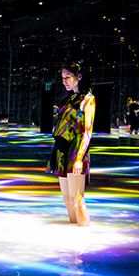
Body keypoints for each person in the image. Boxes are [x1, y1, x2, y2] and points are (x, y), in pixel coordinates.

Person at [46, 61, 96, 226]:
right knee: (67, 198)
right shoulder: (67, 99)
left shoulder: (88, 99)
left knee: (76, 198)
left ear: (79, 77)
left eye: (68, 77)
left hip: (76, 150)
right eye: (62, 78)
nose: (64, 81)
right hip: (61, 150)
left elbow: (87, 131)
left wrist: (79, 158)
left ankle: (84, 235)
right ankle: (74, 235)